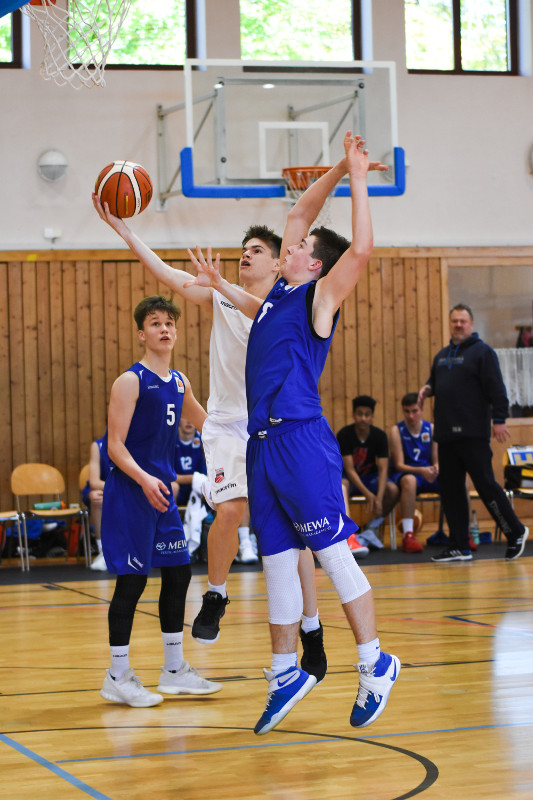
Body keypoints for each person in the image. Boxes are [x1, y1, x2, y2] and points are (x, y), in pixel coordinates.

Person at [187, 132, 400, 735]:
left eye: (301, 246)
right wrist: (335, 165)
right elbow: (300, 210)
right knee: (279, 558)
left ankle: (374, 660)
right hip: (262, 445)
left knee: (330, 552)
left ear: (315, 265)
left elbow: (359, 247)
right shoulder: (278, 295)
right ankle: (285, 669)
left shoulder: (318, 300)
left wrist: (357, 175)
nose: (291, 242)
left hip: (302, 440)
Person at [92, 196, 328, 684]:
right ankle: (216, 595)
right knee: (232, 510)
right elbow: (167, 275)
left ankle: (312, 629)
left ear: (278, 259)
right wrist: (125, 231)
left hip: (277, 424)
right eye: (242, 248)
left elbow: (301, 224)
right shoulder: (221, 294)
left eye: (256, 249)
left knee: (297, 538)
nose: (245, 254)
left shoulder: (285, 302)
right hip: (226, 423)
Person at [99, 295, 222, 707]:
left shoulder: (179, 382)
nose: (164, 329)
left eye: (169, 322)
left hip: (163, 494)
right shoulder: (130, 381)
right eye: (155, 323)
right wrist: (144, 477)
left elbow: (207, 424)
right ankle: (117, 675)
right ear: (142, 334)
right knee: (132, 583)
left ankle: (174, 671)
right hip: (132, 492)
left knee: (178, 574)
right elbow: (114, 446)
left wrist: (241, 442)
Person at [418, 303, 529, 563]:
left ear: (471, 324)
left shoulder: (483, 353)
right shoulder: (442, 356)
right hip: (446, 436)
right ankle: (459, 545)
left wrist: (499, 419)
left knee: (486, 485)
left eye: (463, 321)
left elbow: (497, 389)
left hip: (473, 434)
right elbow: (437, 381)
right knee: (451, 491)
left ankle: (515, 531)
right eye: (454, 320)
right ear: (450, 323)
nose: (458, 324)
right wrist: (427, 388)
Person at [337, 395, 400, 550]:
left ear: (372, 416)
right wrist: (368, 494)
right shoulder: (344, 434)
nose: (363, 418)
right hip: (351, 479)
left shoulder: (379, 436)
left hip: (371, 477)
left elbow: (384, 468)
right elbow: (350, 469)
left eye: (367, 414)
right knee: (341, 485)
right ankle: (350, 535)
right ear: (353, 415)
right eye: (359, 414)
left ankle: (370, 528)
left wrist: (378, 497)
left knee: (392, 490)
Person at [389, 392, 439, 553]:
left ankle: (461, 532)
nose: (411, 415)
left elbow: (436, 459)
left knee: (459, 480)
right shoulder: (397, 431)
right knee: (409, 481)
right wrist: (422, 470)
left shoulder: (431, 428)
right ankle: (408, 535)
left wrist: (436, 467)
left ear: (422, 410)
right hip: (409, 473)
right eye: (407, 411)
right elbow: (399, 465)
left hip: (427, 473)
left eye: (415, 411)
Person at [81, 432, 113, 571]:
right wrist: (119, 489)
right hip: (107, 490)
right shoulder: (98, 445)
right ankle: (103, 551)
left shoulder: (135, 443)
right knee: (96, 496)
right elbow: (94, 482)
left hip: (125, 491)